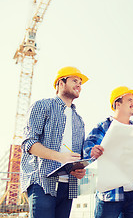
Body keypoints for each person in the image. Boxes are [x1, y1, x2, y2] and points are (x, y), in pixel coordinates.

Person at [20, 66, 89, 218]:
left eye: (80, 83)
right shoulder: (42, 106)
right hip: (42, 182)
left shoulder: (79, 120)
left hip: (68, 186)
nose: (79, 85)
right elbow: (29, 143)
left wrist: (80, 170)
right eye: (75, 80)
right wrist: (59, 156)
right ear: (60, 83)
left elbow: (79, 156)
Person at [83, 86, 133, 218]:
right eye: (130, 100)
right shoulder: (103, 126)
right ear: (118, 104)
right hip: (110, 195)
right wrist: (92, 151)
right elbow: (87, 148)